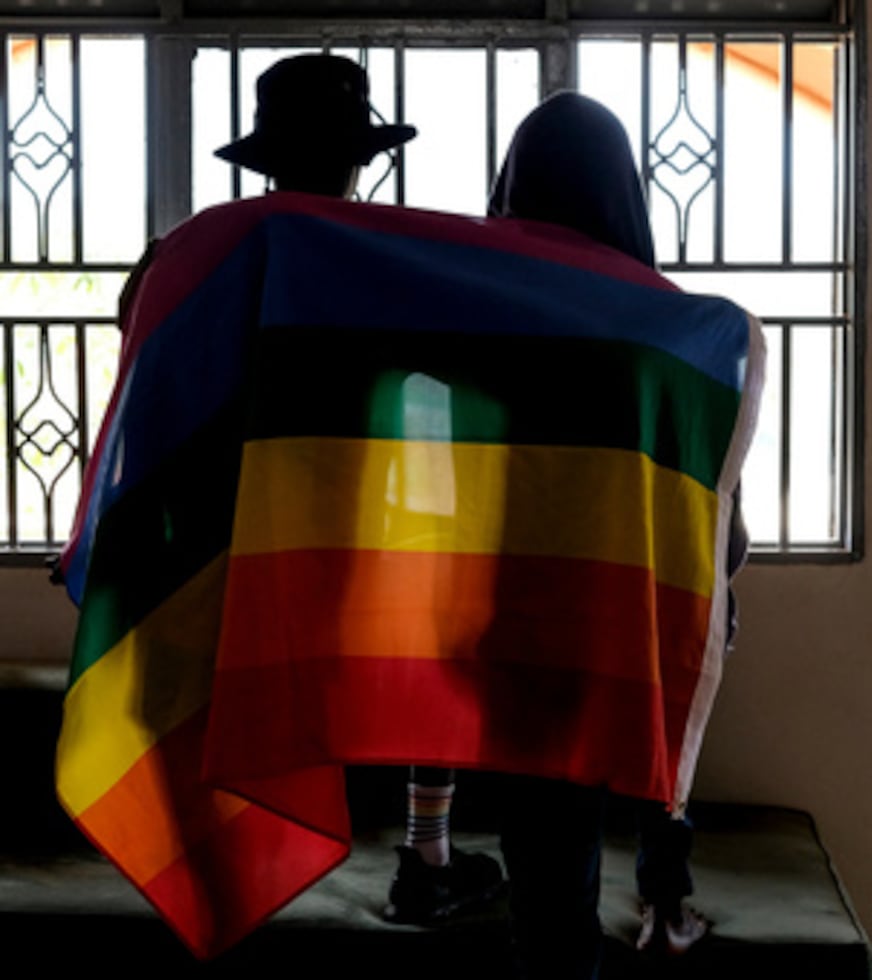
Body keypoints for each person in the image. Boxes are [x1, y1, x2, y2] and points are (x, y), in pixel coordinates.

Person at [213, 51, 504, 928]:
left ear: (265, 162)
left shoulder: (213, 249)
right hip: (374, 517)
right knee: (427, 672)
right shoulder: (388, 256)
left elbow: (139, 331)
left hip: (236, 517)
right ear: (360, 159)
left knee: (237, 680)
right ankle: (424, 861)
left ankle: (231, 867)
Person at [486, 90, 749, 978]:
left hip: (516, 633)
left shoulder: (478, 317)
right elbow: (726, 538)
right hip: (634, 625)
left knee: (549, 898)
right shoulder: (671, 327)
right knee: (677, 672)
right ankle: (666, 896)